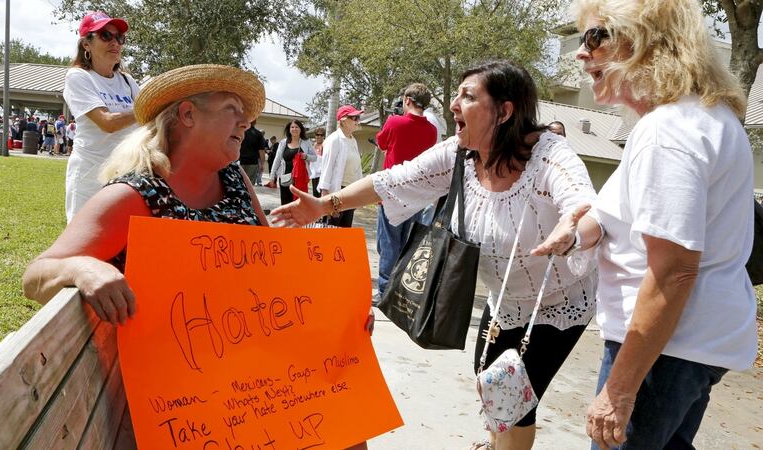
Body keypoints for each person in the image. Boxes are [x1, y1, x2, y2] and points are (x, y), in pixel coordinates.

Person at [271, 60, 599, 449]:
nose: (453, 107)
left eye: (468, 96)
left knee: (513, 403)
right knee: (491, 388)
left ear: (504, 111)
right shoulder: (461, 153)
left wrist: (573, 232)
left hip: (557, 304)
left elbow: (585, 207)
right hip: (503, 302)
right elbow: (393, 180)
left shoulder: (548, 156)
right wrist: (325, 205)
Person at [532, 1, 757, 449]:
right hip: (688, 344)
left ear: (643, 41)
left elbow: (674, 270)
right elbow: (611, 213)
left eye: (595, 37)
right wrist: (576, 232)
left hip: (665, 345)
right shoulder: (698, 119)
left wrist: (618, 391)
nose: (581, 53)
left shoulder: (668, 132)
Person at [22, 64, 269, 323]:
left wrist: (294, 226)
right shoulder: (133, 195)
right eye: (232, 108)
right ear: (188, 114)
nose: (246, 123)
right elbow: (35, 277)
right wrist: (80, 268)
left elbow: (267, 256)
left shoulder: (234, 178)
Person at [63, 11, 139, 222]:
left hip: (126, 177)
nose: (115, 42)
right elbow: (107, 123)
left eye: (119, 37)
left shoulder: (128, 82)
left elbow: (150, 124)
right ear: (86, 44)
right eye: (106, 35)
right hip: (89, 176)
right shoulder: (79, 77)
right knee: (84, 241)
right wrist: (147, 109)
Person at [375, 83, 438, 298]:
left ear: (407, 100)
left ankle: (384, 289)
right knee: (405, 243)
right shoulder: (431, 129)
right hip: (416, 196)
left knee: (388, 243)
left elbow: (381, 143)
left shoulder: (394, 122)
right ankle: (398, 288)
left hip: (391, 192)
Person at [315, 105, 365, 227]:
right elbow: (327, 167)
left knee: (345, 230)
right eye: (354, 118)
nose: (357, 121)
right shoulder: (334, 139)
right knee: (332, 229)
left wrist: (360, 193)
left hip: (351, 192)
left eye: (358, 117)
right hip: (336, 192)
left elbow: (357, 169)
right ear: (343, 120)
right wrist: (325, 195)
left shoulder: (353, 140)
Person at [266, 119, 317, 205]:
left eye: (297, 127)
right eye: (292, 127)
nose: (294, 129)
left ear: (301, 129)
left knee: (298, 204)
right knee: (286, 203)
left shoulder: (306, 142)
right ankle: (286, 219)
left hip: (300, 178)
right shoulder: (283, 142)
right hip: (285, 177)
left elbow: (314, 158)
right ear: (289, 130)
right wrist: (272, 177)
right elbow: (277, 160)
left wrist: (306, 156)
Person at [239, 119, 266, 184]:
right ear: (255, 122)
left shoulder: (241, 131)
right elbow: (261, 151)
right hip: (253, 162)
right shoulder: (258, 134)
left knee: (239, 182)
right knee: (250, 184)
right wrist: (262, 164)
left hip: (241, 161)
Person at [309, 127, 326, 197]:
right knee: (315, 194)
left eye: (321, 135)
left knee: (320, 194)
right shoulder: (313, 145)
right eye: (317, 134)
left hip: (322, 174)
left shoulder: (325, 145)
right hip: (314, 174)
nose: (319, 136)